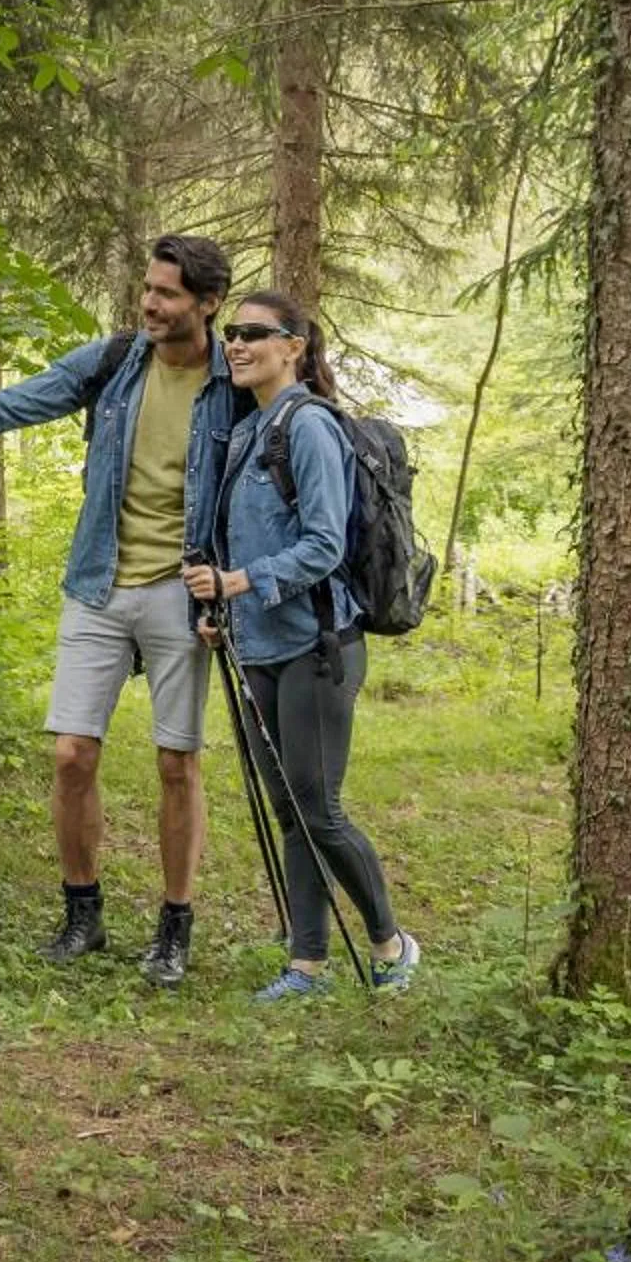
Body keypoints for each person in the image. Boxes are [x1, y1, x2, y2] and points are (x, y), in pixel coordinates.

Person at [0, 234, 243, 988]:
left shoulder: (236, 382)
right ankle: (83, 913)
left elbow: (292, 446)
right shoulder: (115, 362)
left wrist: (246, 582)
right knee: (72, 756)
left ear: (206, 304)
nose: (149, 303)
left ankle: (174, 926)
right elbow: (19, 401)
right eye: (147, 287)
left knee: (177, 763)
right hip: (99, 582)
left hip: (184, 587)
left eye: (167, 294)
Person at [182, 290, 419, 1000]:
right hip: (259, 647)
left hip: (319, 645)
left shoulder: (308, 426)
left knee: (319, 807)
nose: (237, 343)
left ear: (295, 346)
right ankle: (306, 965)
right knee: (291, 808)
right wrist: (219, 606)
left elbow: (323, 544)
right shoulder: (250, 431)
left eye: (255, 333)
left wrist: (240, 581)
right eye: (231, 333)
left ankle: (390, 942)